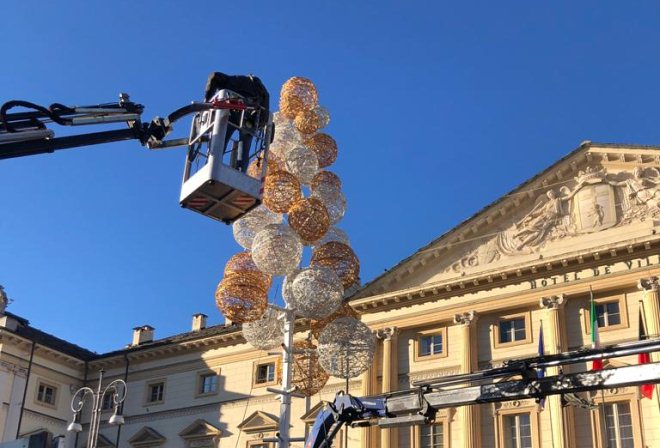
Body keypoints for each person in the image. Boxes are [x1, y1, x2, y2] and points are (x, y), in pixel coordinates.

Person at [204, 72, 270, 173]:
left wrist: (207, 100)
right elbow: (266, 103)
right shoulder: (260, 89)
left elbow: (214, 76)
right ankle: (240, 172)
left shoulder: (232, 80)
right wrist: (262, 123)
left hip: (234, 113)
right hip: (250, 117)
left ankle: (211, 165)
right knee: (244, 149)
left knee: (221, 139)